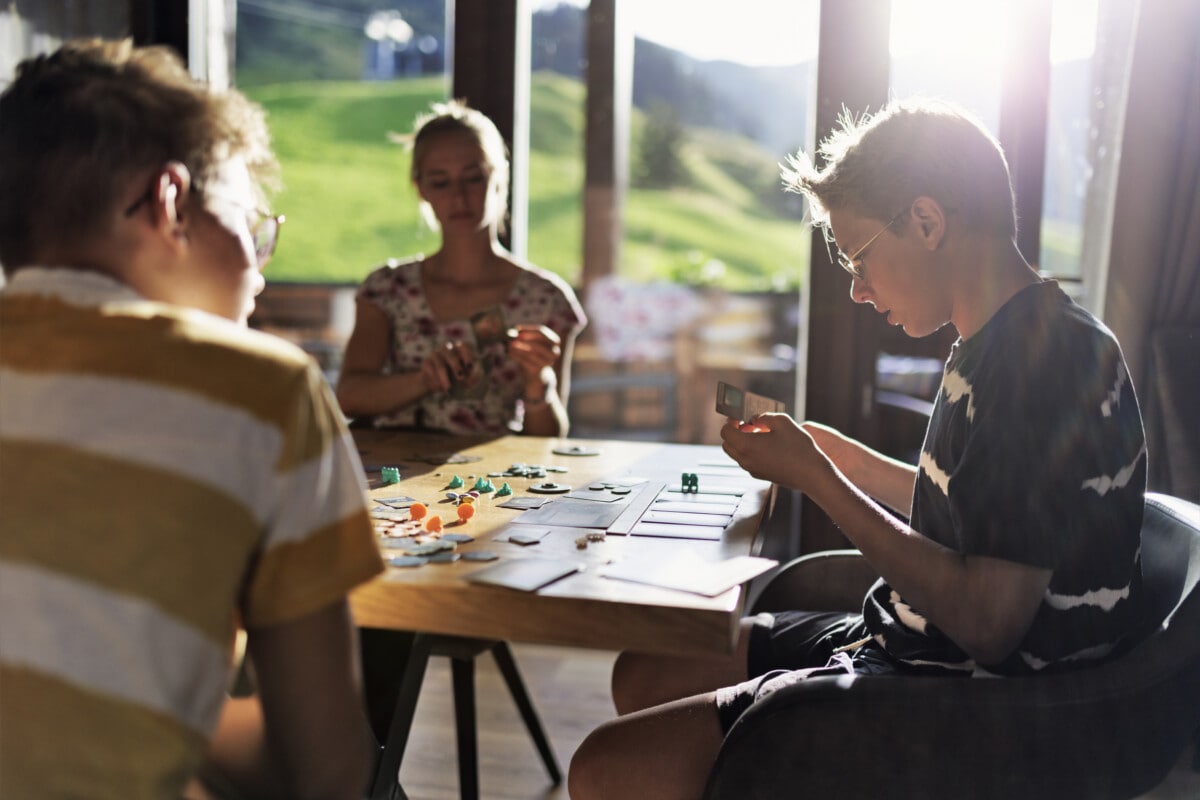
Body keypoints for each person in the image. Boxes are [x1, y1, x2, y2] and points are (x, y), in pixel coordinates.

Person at [567, 97, 1148, 799]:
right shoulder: (1005, 337)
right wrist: (836, 454)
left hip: (967, 701)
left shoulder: (1037, 366)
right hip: (911, 641)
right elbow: (975, 516)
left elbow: (990, 625)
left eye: (858, 255)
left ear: (927, 222)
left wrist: (818, 481)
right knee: (644, 672)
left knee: (603, 769)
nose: (857, 288)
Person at [0, 39, 385, 799]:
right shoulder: (262, 393)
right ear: (169, 203)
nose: (261, 265)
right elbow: (327, 772)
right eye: (250, 222)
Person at [336, 99, 586, 436]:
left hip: (494, 485)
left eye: (472, 178)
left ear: (499, 178)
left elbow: (550, 440)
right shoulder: (386, 289)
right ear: (420, 188)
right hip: (391, 481)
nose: (458, 197)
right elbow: (348, 398)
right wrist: (423, 380)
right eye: (441, 182)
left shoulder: (547, 298)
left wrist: (538, 383)